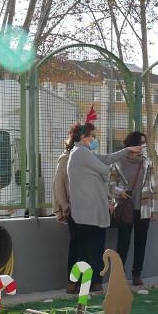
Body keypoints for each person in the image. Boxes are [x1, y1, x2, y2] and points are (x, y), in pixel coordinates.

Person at [65, 121, 129, 293]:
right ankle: (86, 285)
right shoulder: (81, 153)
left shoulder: (84, 152)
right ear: (84, 138)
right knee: (89, 252)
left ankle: (88, 284)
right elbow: (105, 168)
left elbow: (106, 159)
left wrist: (127, 150)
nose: (94, 139)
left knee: (89, 251)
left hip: (91, 213)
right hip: (88, 214)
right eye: (92, 136)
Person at [108, 132, 158, 286]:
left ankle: (137, 274)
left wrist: (155, 210)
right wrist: (119, 192)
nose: (144, 145)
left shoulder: (147, 163)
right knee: (123, 243)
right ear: (132, 144)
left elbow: (153, 187)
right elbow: (109, 184)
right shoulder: (117, 162)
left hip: (143, 210)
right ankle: (118, 275)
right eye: (141, 142)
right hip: (125, 209)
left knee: (140, 243)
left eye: (145, 142)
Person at [54, 133, 80, 292]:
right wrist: (66, 207)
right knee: (76, 247)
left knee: (86, 248)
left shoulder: (87, 158)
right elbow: (59, 185)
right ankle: (72, 282)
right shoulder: (65, 159)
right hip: (73, 211)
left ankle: (87, 282)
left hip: (87, 210)